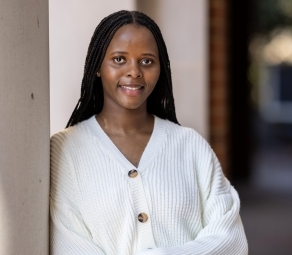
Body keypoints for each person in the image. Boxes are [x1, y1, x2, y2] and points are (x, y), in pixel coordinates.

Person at [50, 10, 248, 255]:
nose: (134, 72)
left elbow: (230, 241)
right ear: (97, 66)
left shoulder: (191, 147)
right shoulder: (64, 150)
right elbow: (67, 244)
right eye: (119, 59)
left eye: (146, 61)